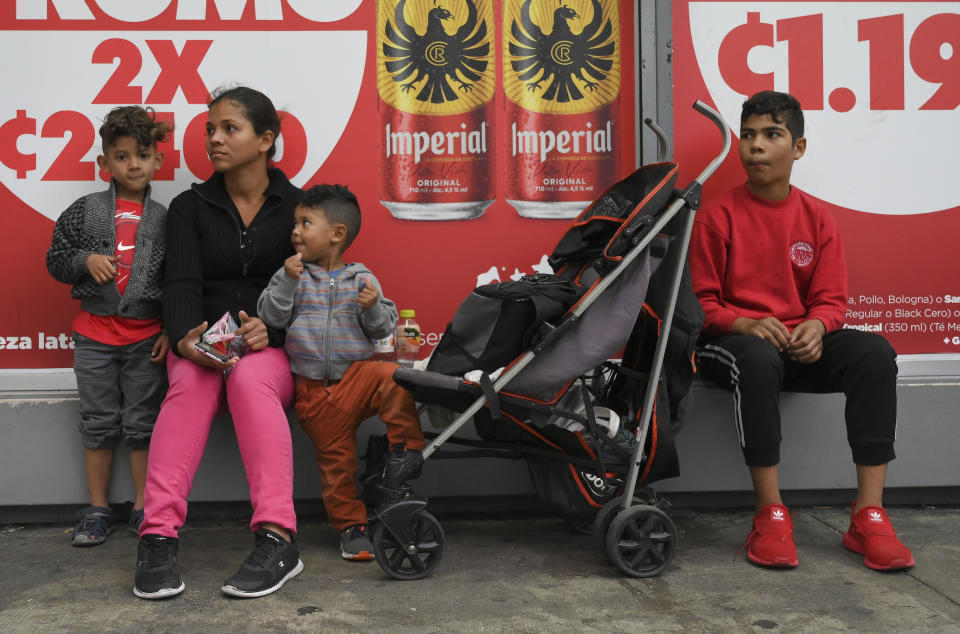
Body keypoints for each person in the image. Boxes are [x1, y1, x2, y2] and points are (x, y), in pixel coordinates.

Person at [689, 91, 914, 571]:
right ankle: (770, 514)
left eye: (772, 135)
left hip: (798, 346)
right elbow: (700, 306)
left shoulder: (816, 218)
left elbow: (831, 301)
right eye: (748, 136)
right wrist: (745, 322)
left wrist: (817, 325)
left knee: (874, 353)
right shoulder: (717, 217)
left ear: (799, 148)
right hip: (737, 348)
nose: (756, 147)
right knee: (755, 356)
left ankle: (868, 515)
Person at [133, 87, 303, 600]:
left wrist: (271, 331)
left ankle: (278, 537)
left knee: (250, 378)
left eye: (230, 128)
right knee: (189, 382)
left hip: (270, 348)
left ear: (266, 139)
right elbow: (181, 282)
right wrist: (186, 340)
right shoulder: (190, 206)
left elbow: (315, 289)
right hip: (205, 338)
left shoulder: (299, 207)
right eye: (211, 129)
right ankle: (157, 535)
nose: (215, 139)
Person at [258, 184, 425, 561]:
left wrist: (371, 309)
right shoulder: (294, 275)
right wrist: (286, 280)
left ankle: (406, 450)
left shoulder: (363, 280)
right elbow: (271, 317)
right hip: (313, 393)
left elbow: (383, 329)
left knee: (391, 376)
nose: (295, 231)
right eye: (295, 223)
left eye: (305, 223)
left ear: (337, 234)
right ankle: (352, 527)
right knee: (338, 466)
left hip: (355, 380)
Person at [46, 106, 171, 546]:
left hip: (146, 339)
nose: (132, 164)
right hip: (95, 336)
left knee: (142, 422)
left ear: (158, 160)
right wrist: (85, 260)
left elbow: (177, 281)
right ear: (104, 164)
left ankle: (143, 506)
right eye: (121, 156)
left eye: (141, 155)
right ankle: (97, 507)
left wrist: (169, 331)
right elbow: (56, 260)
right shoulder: (85, 211)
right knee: (98, 421)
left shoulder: (166, 219)